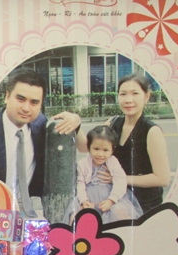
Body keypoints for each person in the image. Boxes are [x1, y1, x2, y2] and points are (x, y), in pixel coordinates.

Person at [0, 68, 85, 216]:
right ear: (7, 96)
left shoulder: (40, 124)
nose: (26, 108)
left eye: (34, 102)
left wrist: (76, 121)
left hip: (30, 210)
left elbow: (84, 148)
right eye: (20, 99)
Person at [105, 72, 171, 213]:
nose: (128, 100)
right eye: (123, 94)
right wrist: (75, 122)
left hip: (144, 207)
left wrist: (120, 178)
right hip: (116, 201)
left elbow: (163, 178)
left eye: (135, 93)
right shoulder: (112, 124)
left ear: (147, 97)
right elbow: (89, 147)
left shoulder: (151, 131)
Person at [64, 126, 143, 223]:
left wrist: (111, 200)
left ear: (112, 150)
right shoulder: (82, 164)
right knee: (76, 215)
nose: (100, 154)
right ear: (89, 147)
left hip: (111, 195)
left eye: (105, 150)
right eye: (96, 149)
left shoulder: (113, 162)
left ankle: (122, 231)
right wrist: (84, 200)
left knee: (121, 212)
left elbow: (121, 181)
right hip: (89, 197)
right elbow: (80, 183)